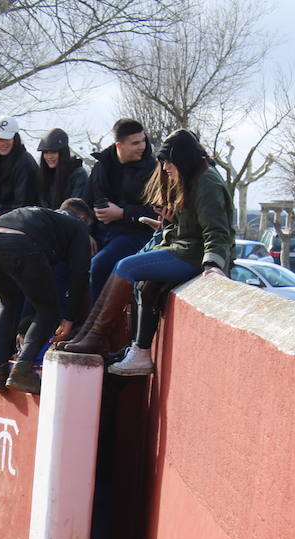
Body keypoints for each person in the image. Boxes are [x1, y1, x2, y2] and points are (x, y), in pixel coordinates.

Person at [63, 129, 232, 376]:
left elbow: (217, 231)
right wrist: (166, 225)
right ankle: (97, 335)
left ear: (183, 160)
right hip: (181, 247)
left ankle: (96, 336)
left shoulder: (207, 182)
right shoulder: (191, 178)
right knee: (138, 279)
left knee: (126, 266)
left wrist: (212, 265)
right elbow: (184, 225)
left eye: (169, 162)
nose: (164, 169)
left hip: (192, 255)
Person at [0, 200, 95, 395]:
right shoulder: (78, 227)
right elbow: (79, 274)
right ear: (83, 219)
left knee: (7, 304)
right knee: (48, 311)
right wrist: (69, 317)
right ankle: (22, 369)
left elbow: (0, 296)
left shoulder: (41, 215)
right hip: (20, 244)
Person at [85, 118, 158, 304]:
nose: (142, 146)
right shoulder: (101, 166)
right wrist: (86, 234)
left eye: (143, 140)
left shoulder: (153, 169)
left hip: (135, 234)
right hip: (101, 233)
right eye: (135, 143)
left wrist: (123, 213)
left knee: (99, 266)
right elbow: (85, 202)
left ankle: (96, 329)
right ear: (119, 145)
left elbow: (157, 212)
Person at [35, 128, 89, 210]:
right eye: (46, 152)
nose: (49, 157)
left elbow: (76, 210)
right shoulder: (42, 176)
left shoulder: (78, 175)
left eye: (53, 152)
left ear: (63, 152)